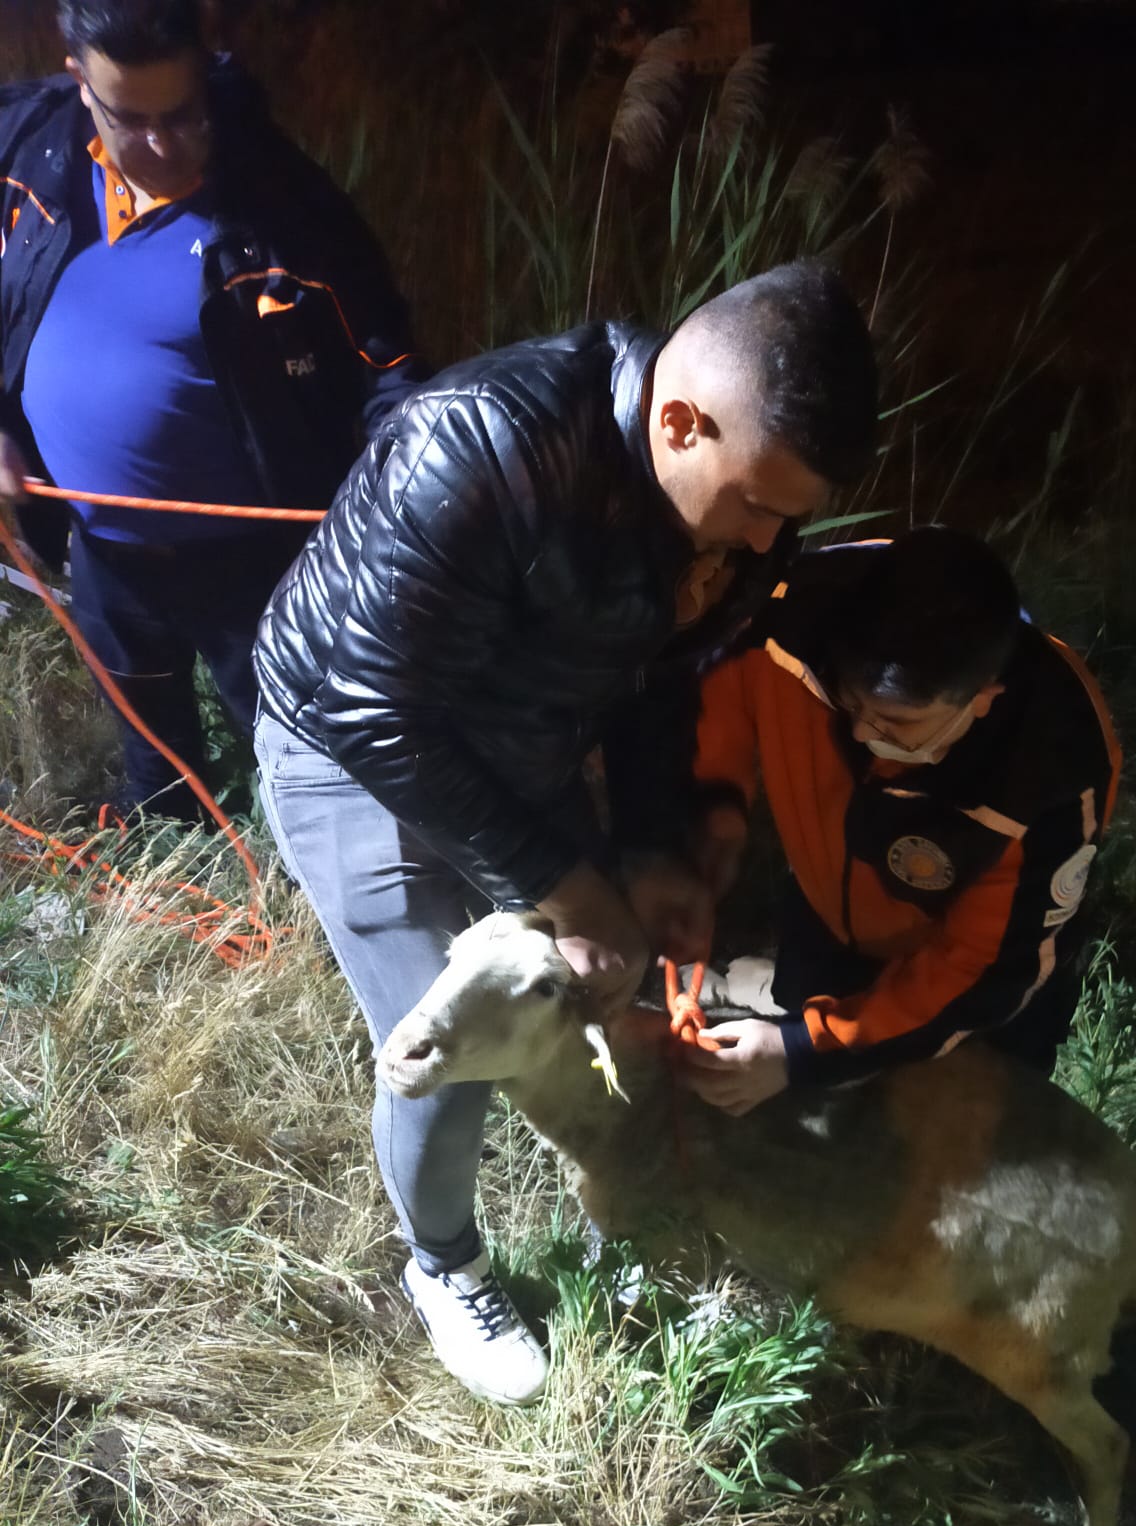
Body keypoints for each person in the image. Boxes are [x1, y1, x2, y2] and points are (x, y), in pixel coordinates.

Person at [252, 259, 880, 1408]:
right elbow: (374, 708)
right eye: (757, 505)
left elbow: (661, 672)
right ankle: (443, 1264)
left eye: (792, 517)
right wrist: (565, 885)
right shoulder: (481, 446)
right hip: (352, 746)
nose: (767, 541)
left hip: (525, 731)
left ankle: (621, 1194)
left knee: (585, 975)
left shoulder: (740, 508)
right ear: (680, 422)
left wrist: (651, 842)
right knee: (441, 1046)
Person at [0, 0, 423, 818]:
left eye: (183, 117)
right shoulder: (28, 150)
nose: (160, 147)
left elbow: (388, 364)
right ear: (79, 84)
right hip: (101, 546)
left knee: (303, 754)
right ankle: (168, 848)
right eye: (131, 120)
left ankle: (308, 886)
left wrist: (393, 518)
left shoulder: (284, 210)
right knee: (147, 737)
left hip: (254, 558)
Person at [681, 526, 1120, 1115]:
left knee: (958, 1141)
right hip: (827, 919)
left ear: (981, 699)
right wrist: (716, 810)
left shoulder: (1051, 768)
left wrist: (804, 1052)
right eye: (851, 703)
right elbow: (708, 698)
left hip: (970, 991)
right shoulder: (788, 613)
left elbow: (980, 970)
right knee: (813, 1130)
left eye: (895, 723)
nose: (864, 735)